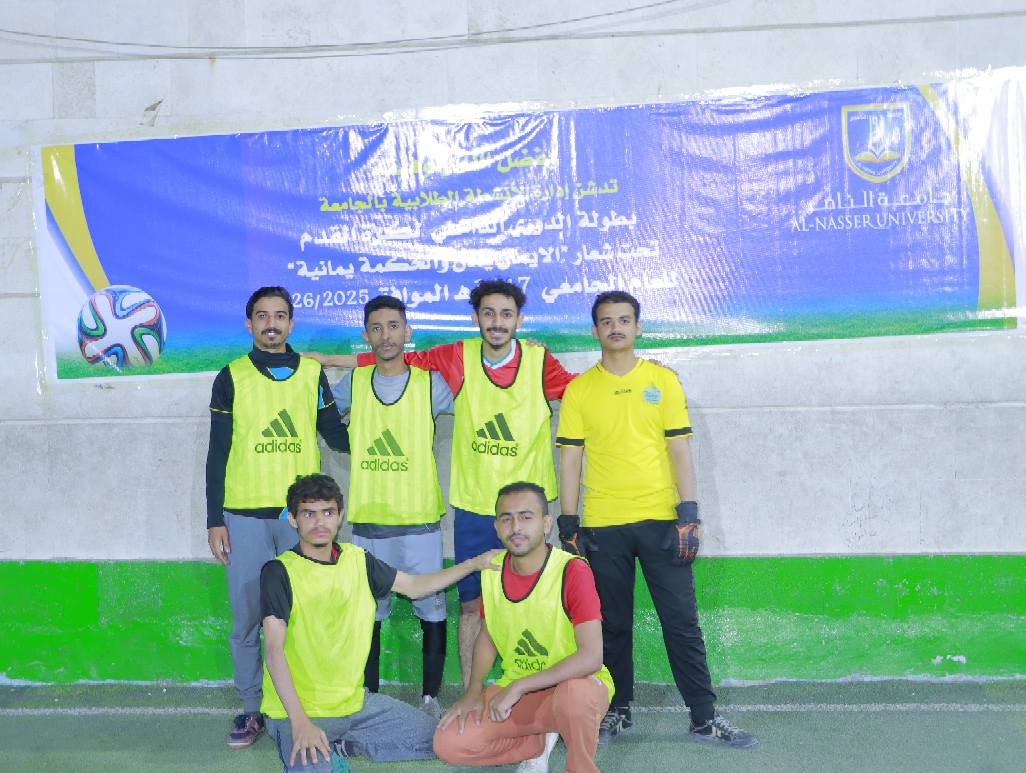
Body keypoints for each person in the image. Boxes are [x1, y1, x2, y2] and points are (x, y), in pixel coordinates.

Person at [308, 278, 574, 685]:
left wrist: (629, 371)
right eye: (488, 313)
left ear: (519, 320)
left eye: (506, 314)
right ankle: (470, 695)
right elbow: (394, 357)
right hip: (472, 507)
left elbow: (581, 391)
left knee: (536, 600)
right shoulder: (457, 357)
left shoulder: (540, 361)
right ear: (476, 319)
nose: (497, 322)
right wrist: (328, 360)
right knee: (470, 608)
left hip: (528, 511)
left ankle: (537, 689)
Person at [556, 291, 757, 748]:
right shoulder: (580, 390)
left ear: (638, 327)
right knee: (611, 627)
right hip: (603, 525)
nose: (616, 328)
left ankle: (704, 717)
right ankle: (616, 712)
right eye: (607, 322)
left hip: (663, 523)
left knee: (682, 623)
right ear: (595, 330)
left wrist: (690, 513)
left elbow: (679, 448)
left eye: (624, 320)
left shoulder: (663, 381)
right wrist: (568, 523)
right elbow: (570, 459)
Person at [260, 473, 499, 772]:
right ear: (293, 519)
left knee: (447, 740)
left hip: (356, 705)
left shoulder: (359, 560)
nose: (320, 522)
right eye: (309, 514)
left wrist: (474, 564)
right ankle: (320, 747)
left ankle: (345, 744)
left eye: (328, 512)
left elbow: (415, 586)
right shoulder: (278, 571)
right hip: (296, 712)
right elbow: (273, 651)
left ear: (340, 516)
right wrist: (300, 723)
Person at [205, 286, 349, 749]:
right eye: (263, 316)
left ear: (291, 323)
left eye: (280, 315)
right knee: (248, 617)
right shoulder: (231, 376)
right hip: (244, 515)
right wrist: (214, 519)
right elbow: (217, 451)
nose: (272, 323)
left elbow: (336, 435)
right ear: (250, 324)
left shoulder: (312, 373)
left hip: (300, 518)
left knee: (302, 616)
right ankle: (252, 708)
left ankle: (302, 705)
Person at [433, 481, 612, 773]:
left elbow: (592, 657)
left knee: (574, 699)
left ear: (546, 524)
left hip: (574, 685)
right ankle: (537, 742)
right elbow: (489, 635)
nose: (515, 527)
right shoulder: (492, 570)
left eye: (526, 517)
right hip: (522, 690)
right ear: (496, 527)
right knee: (449, 743)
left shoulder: (572, 570)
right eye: (506, 518)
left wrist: (519, 687)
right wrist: (473, 691)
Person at [331, 295, 454, 718]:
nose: (386, 335)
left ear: (407, 332)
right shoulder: (353, 383)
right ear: (367, 336)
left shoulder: (430, 385)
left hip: (420, 522)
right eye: (377, 328)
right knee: (370, 614)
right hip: (369, 522)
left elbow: (478, 401)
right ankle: (369, 698)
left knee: (432, 612)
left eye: (393, 326)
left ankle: (430, 698)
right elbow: (323, 418)